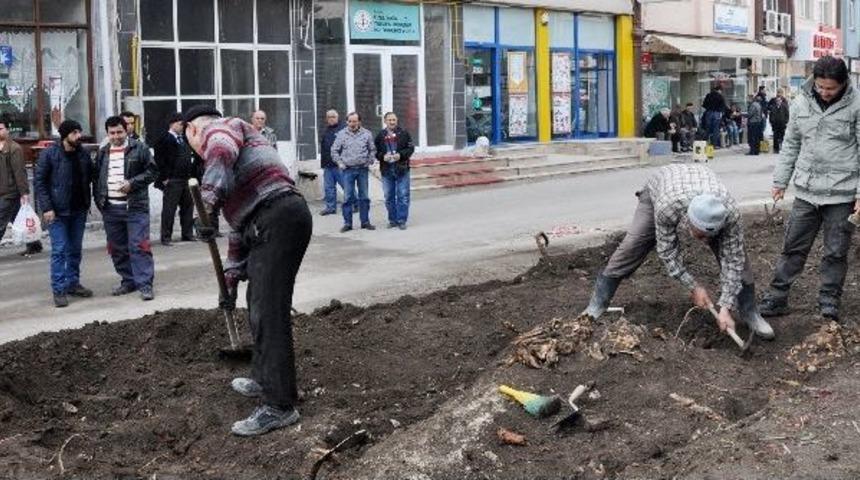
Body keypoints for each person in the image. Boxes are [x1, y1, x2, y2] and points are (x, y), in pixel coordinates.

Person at [183, 105, 312, 437]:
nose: (198, 150)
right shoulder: (236, 162)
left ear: (193, 131)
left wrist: (206, 205)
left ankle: (279, 406)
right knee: (259, 306)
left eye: (190, 141)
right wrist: (230, 282)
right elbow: (239, 230)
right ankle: (265, 380)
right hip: (268, 221)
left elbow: (219, 153)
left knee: (270, 312)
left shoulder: (222, 130)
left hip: (278, 216)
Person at [580, 164, 774, 340]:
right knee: (632, 246)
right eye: (700, 236)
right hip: (659, 188)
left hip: (700, 182)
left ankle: (749, 312)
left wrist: (725, 307)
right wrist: (693, 287)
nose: (706, 242)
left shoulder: (729, 214)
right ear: (688, 221)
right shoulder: (668, 208)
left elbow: (733, 260)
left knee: (740, 260)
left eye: (711, 236)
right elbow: (668, 252)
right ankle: (597, 304)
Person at [759, 56, 860, 322]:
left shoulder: (857, 105)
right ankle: (777, 296)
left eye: (831, 88)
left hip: (842, 192)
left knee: (835, 251)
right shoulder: (801, 101)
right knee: (793, 247)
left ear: (844, 83)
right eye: (820, 87)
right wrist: (780, 181)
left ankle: (829, 301)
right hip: (806, 190)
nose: (825, 93)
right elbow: (791, 143)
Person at [93, 116, 158, 300]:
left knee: (139, 246)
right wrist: (100, 202)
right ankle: (128, 281)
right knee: (117, 248)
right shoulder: (103, 152)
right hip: (111, 209)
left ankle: (145, 284)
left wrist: (132, 183)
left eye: (119, 132)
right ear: (107, 133)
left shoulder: (140, 148)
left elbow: (153, 171)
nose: (116, 136)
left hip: (135, 208)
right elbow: (97, 179)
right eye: (112, 133)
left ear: (126, 130)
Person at [34, 120, 94, 308]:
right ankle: (59, 290)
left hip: (79, 210)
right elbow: (40, 183)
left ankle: (72, 283)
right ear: (65, 135)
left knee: (75, 250)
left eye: (79, 132)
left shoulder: (83, 154)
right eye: (75, 133)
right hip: (57, 212)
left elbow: (92, 176)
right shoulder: (50, 154)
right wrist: (47, 208)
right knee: (59, 250)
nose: (79, 136)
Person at [0, 118, 43, 256]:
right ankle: (34, 244)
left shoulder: (14, 148)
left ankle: (34, 245)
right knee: (18, 217)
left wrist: (24, 192)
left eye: (0, 129)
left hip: (10, 191)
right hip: (2, 190)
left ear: (7, 130)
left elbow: (19, 172)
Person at [154, 112, 195, 245]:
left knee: (188, 207)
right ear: (172, 124)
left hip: (186, 179)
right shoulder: (164, 139)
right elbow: (159, 160)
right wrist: (165, 178)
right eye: (180, 124)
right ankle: (166, 237)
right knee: (169, 209)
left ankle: (187, 234)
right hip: (172, 180)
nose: (182, 127)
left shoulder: (184, 139)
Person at [331, 112, 376, 232]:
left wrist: (370, 161)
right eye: (350, 121)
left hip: (362, 170)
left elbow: (372, 149)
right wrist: (340, 163)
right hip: (348, 170)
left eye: (354, 121)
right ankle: (347, 223)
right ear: (347, 122)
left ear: (359, 122)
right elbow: (334, 151)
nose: (352, 124)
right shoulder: (341, 134)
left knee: (364, 197)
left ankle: (365, 222)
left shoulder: (367, 134)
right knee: (347, 198)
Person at [374, 112, 415, 230]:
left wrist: (400, 155)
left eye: (394, 120)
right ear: (385, 121)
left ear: (397, 121)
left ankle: (401, 220)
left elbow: (411, 148)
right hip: (387, 170)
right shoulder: (380, 135)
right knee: (388, 196)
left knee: (403, 195)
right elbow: (375, 152)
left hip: (402, 168)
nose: (392, 122)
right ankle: (392, 220)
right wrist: (382, 157)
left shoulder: (404, 133)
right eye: (390, 120)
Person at [319, 109, 346, 216]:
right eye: (329, 117)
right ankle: (330, 208)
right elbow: (324, 147)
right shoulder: (326, 130)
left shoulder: (343, 129)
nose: (331, 119)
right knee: (329, 188)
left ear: (337, 117)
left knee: (346, 186)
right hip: (327, 165)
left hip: (340, 164)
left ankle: (355, 204)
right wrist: (323, 164)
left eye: (333, 117)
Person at [768, 89, 790, 154]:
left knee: (783, 136)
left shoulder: (784, 102)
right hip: (775, 124)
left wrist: (786, 121)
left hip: (782, 123)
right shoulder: (773, 101)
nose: (779, 94)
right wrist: (771, 122)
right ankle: (776, 148)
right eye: (778, 92)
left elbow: (787, 114)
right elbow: (770, 111)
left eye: (780, 93)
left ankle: (783, 148)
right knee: (775, 136)